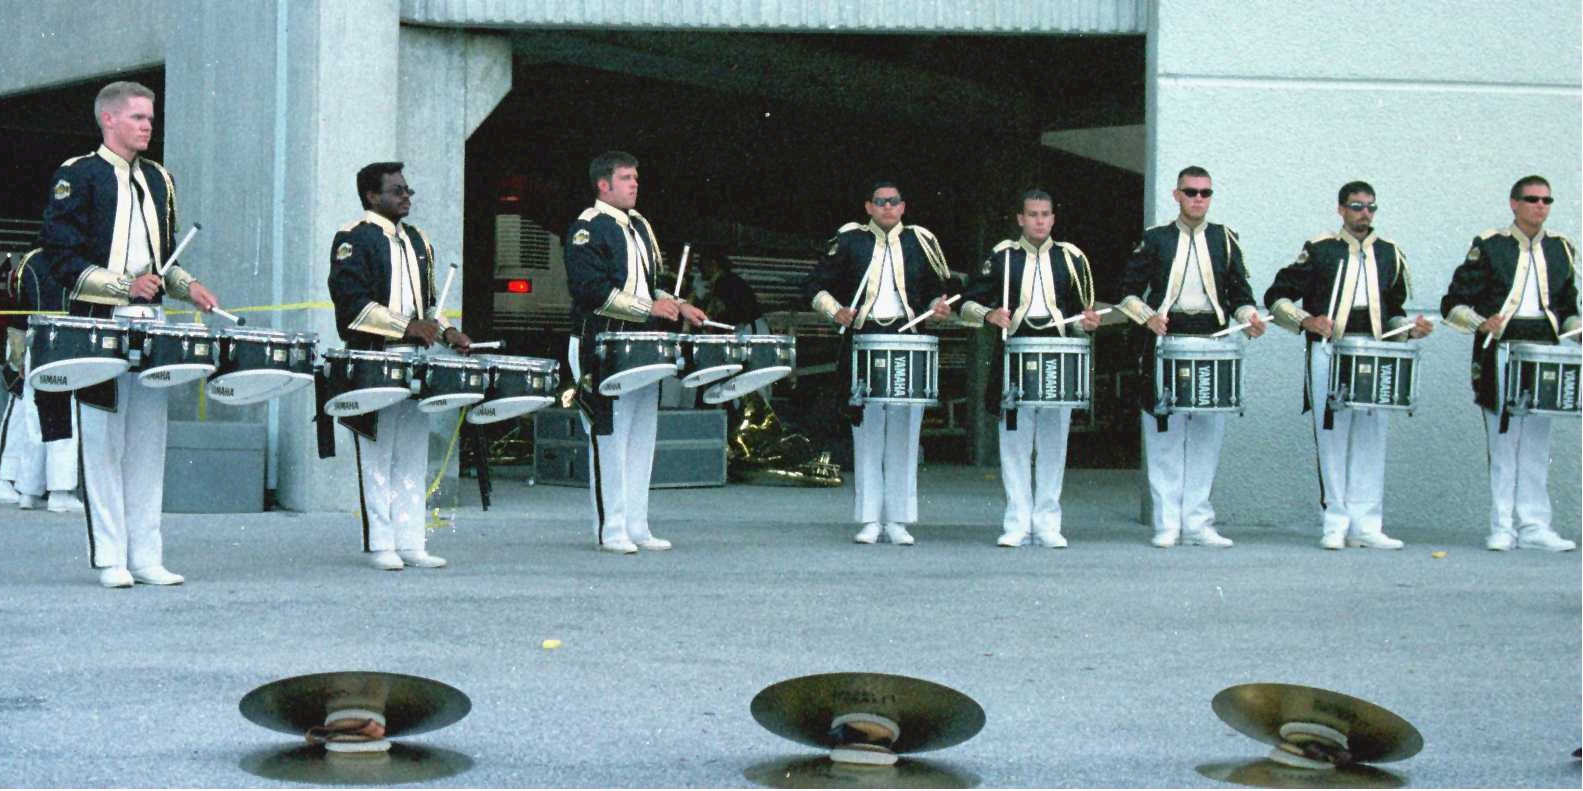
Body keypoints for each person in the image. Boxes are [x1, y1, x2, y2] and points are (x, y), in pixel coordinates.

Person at [39, 81, 220, 587]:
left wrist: (188, 286)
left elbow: (164, 262)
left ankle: (147, 555)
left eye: (150, 117)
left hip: (150, 322)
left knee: (147, 441)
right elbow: (60, 256)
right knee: (102, 443)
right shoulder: (79, 175)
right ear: (109, 120)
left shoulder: (161, 179)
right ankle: (111, 558)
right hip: (99, 321)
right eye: (138, 117)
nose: (147, 125)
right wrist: (124, 284)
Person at [1265, 181, 1434, 550]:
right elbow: (1276, 298)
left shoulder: (1390, 254)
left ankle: (1367, 524)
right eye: (1357, 206)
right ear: (1341, 209)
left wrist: (1409, 330)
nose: (1365, 214)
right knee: (1332, 436)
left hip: (1376, 352)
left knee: (1373, 438)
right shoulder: (1320, 250)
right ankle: (1334, 521)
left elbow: (1395, 311)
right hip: (1329, 349)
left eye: (1371, 207)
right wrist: (1307, 321)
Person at [327, 161, 470, 571]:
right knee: (376, 454)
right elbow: (352, 306)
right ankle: (379, 544)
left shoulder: (419, 241)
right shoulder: (353, 238)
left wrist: (448, 333)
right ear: (373, 197)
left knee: (411, 452)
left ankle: (410, 541)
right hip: (375, 358)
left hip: (414, 361)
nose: (407, 196)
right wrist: (408, 326)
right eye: (397, 190)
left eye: (407, 190)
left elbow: (428, 309)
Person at [564, 151, 706, 554]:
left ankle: (637, 524)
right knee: (609, 435)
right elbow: (590, 290)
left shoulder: (640, 225)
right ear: (603, 185)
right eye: (626, 178)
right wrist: (649, 308)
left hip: (641, 344)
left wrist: (676, 304)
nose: (634, 184)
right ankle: (611, 529)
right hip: (601, 342)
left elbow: (649, 284)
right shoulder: (586, 229)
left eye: (636, 177)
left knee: (642, 435)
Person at [1118, 165, 1266, 548]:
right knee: (1164, 432)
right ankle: (1167, 523)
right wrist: (1147, 318)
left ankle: (1198, 522)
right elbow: (1128, 292)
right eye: (1191, 192)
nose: (1198, 199)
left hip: (1212, 337)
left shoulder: (1225, 240)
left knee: (1206, 434)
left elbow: (1240, 293)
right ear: (1176, 195)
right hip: (1166, 336)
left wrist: (1248, 317)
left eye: (1205, 193)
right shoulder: (1155, 240)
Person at [803, 180, 953, 546]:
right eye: (881, 202)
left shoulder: (921, 241)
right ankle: (870, 518)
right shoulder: (850, 240)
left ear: (903, 207)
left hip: (908, 339)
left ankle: (899, 520)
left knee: (904, 433)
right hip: (864, 339)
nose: (888, 208)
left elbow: (940, 286)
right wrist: (834, 310)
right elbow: (813, 285)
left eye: (894, 202)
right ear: (868, 207)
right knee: (867, 433)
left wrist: (938, 306)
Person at [1441, 175, 1579, 552]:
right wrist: (1481, 323)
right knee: (1504, 442)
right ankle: (1502, 525)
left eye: (1547, 200)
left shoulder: (1561, 248)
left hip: (1544, 351)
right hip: (1501, 350)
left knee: (1537, 442)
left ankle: (1535, 526)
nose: (1540, 206)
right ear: (1514, 203)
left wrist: (1577, 329)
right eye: (1532, 199)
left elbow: (1568, 307)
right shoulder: (1489, 246)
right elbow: (1452, 304)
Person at [961, 189, 1101, 548]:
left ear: (1053, 218)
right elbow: (968, 302)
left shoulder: (1072, 259)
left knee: (1055, 445)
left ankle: (1049, 524)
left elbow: (1082, 311)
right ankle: (1017, 523)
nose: (1040, 220)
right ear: (1020, 219)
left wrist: (1086, 322)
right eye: (1032, 214)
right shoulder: (1003, 257)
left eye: (1045, 214)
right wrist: (990, 314)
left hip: (1059, 357)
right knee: (1015, 446)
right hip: (1015, 356)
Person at [0, 249, 83, 513]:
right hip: (65, 339)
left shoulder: (29, 261)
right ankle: (59, 491)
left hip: (34, 340)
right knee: (64, 417)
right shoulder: (77, 257)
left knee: (34, 419)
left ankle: (29, 490)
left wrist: (18, 354)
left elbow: (18, 309)